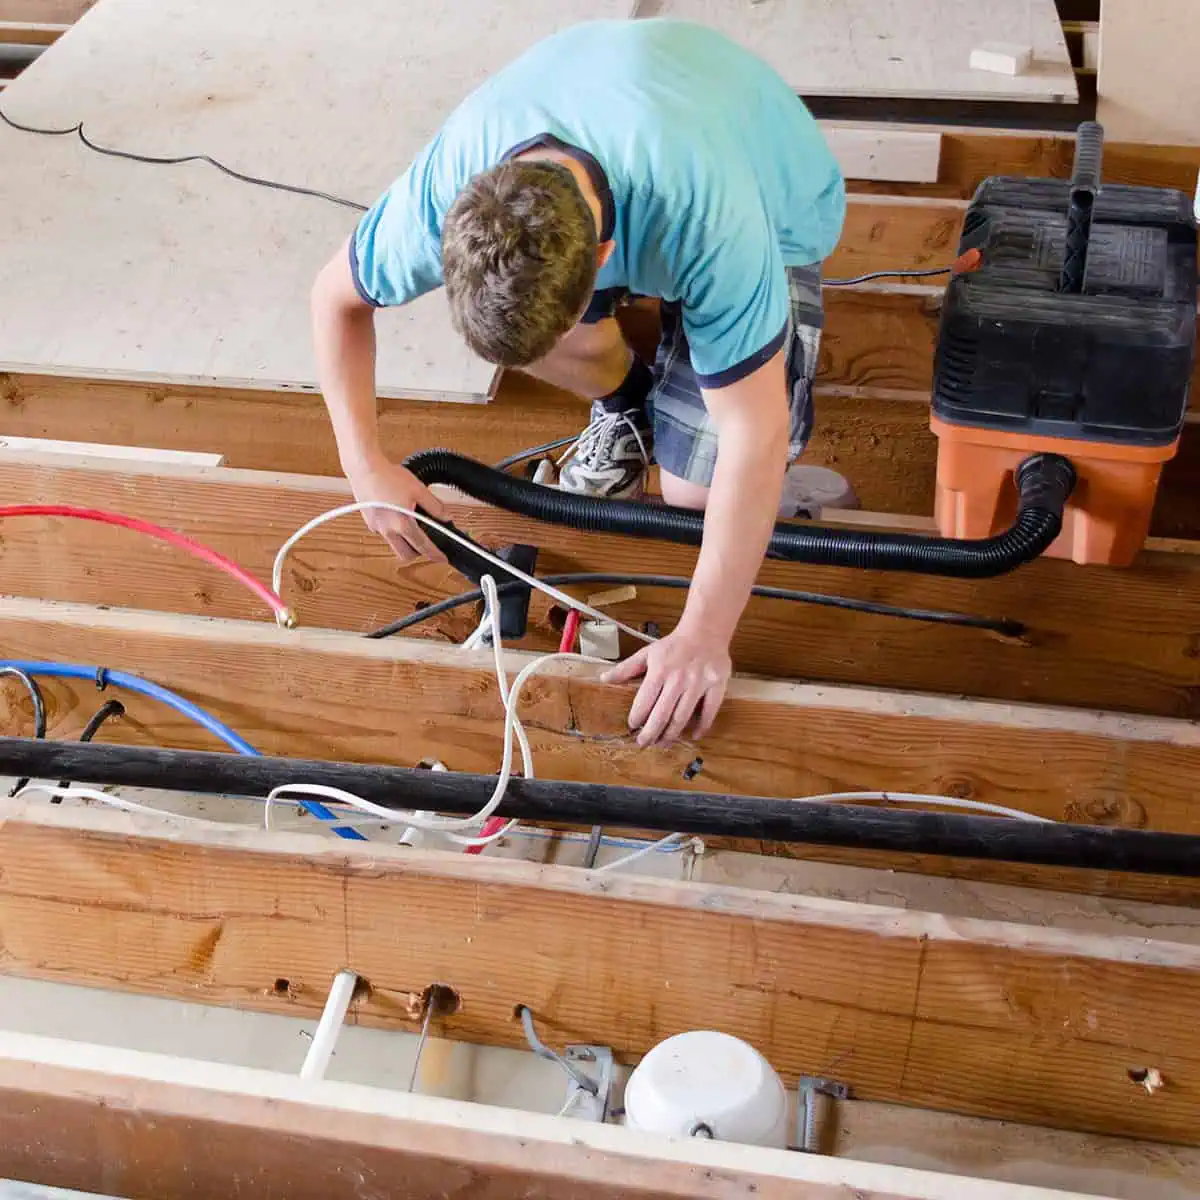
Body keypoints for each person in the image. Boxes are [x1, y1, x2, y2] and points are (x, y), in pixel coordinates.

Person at [310, 18, 849, 747]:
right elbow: (333, 299)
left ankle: (742, 454)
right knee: (526, 329)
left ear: (603, 260)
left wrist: (702, 636)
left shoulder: (711, 219)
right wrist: (363, 463)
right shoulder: (451, 186)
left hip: (768, 175)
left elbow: (756, 430)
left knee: (693, 498)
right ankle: (630, 407)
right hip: (629, 115)